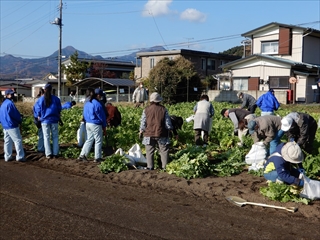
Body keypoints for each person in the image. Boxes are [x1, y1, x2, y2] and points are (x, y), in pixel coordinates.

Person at [139, 92, 173, 170]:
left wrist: (141, 130)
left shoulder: (146, 109)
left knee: (149, 151)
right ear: (159, 100)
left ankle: (150, 167)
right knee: (164, 150)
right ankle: (165, 168)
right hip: (161, 133)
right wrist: (170, 129)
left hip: (148, 133)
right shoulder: (163, 109)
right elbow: (167, 123)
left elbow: (143, 122)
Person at [78, 88, 107, 163]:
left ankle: (82, 155)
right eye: (100, 96)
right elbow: (102, 116)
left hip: (88, 123)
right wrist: (104, 126)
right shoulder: (97, 104)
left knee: (89, 139)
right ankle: (97, 157)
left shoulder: (87, 103)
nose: (100, 97)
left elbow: (84, 114)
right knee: (98, 140)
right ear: (98, 95)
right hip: (96, 124)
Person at [34, 84, 62, 159]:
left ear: (44, 90)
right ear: (51, 89)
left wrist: (38, 116)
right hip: (54, 120)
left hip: (44, 121)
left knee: (46, 137)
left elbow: (37, 109)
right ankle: (55, 153)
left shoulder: (40, 99)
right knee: (55, 137)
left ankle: (48, 153)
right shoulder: (56, 99)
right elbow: (59, 109)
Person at [0, 89, 25, 162]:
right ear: (7, 95)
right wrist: (19, 119)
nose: (12, 95)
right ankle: (20, 156)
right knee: (18, 140)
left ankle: (7, 156)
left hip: (5, 125)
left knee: (7, 141)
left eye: (13, 94)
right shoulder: (10, 103)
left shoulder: (3, 104)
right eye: (11, 94)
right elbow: (15, 115)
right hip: (11, 125)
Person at [33, 88, 45, 153]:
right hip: (39, 119)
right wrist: (39, 116)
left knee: (42, 133)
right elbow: (38, 110)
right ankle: (41, 148)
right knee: (42, 134)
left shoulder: (38, 100)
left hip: (37, 119)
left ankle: (41, 146)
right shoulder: (41, 99)